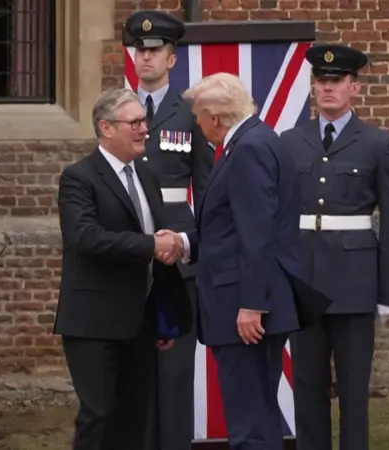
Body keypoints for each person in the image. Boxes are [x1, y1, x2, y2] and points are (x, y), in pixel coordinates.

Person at [157, 72, 332, 450]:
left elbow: (257, 233)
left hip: (245, 308)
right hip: (249, 301)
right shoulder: (255, 141)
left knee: (249, 424)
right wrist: (184, 243)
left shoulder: (249, 149)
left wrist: (252, 304)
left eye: (198, 118)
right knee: (257, 418)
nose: (197, 125)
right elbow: (231, 228)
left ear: (215, 117)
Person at [279, 44, 389, 450]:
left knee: (354, 390)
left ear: (355, 86)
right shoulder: (290, 141)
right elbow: (277, 215)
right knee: (307, 386)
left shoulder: (377, 143)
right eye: (321, 80)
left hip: (355, 282)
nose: (328, 87)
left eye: (336, 81)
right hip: (304, 279)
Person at [53, 87, 194, 450]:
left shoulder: (147, 174)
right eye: (134, 123)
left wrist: (162, 312)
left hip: (140, 322)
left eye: (144, 121)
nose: (144, 129)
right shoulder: (80, 177)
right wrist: (151, 246)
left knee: (133, 418)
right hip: (94, 322)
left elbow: (155, 237)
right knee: (98, 415)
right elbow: (86, 238)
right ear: (106, 127)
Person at [122, 10, 215, 450]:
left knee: (176, 375)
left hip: (178, 257)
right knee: (135, 374)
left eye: (155, 50)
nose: (146, 57)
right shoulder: (116, 110)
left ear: (171, 58)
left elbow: (208, 189)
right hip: (133, 252)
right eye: (140, 50)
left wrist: (193, 244)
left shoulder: (191, 114)